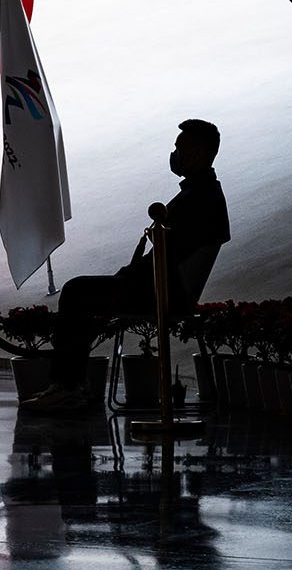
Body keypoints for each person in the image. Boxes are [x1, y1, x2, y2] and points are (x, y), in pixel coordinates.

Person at [20, 119, 231, 413]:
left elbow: (165, 259)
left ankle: (66, 387)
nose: (175, 155)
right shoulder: (203, 194)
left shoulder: (198, 199)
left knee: (75, 291)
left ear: (197, 152)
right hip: (164, 288)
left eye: (179, 148)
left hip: (161, 292)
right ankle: (69, 385)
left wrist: (126, 277)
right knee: (81, 293)